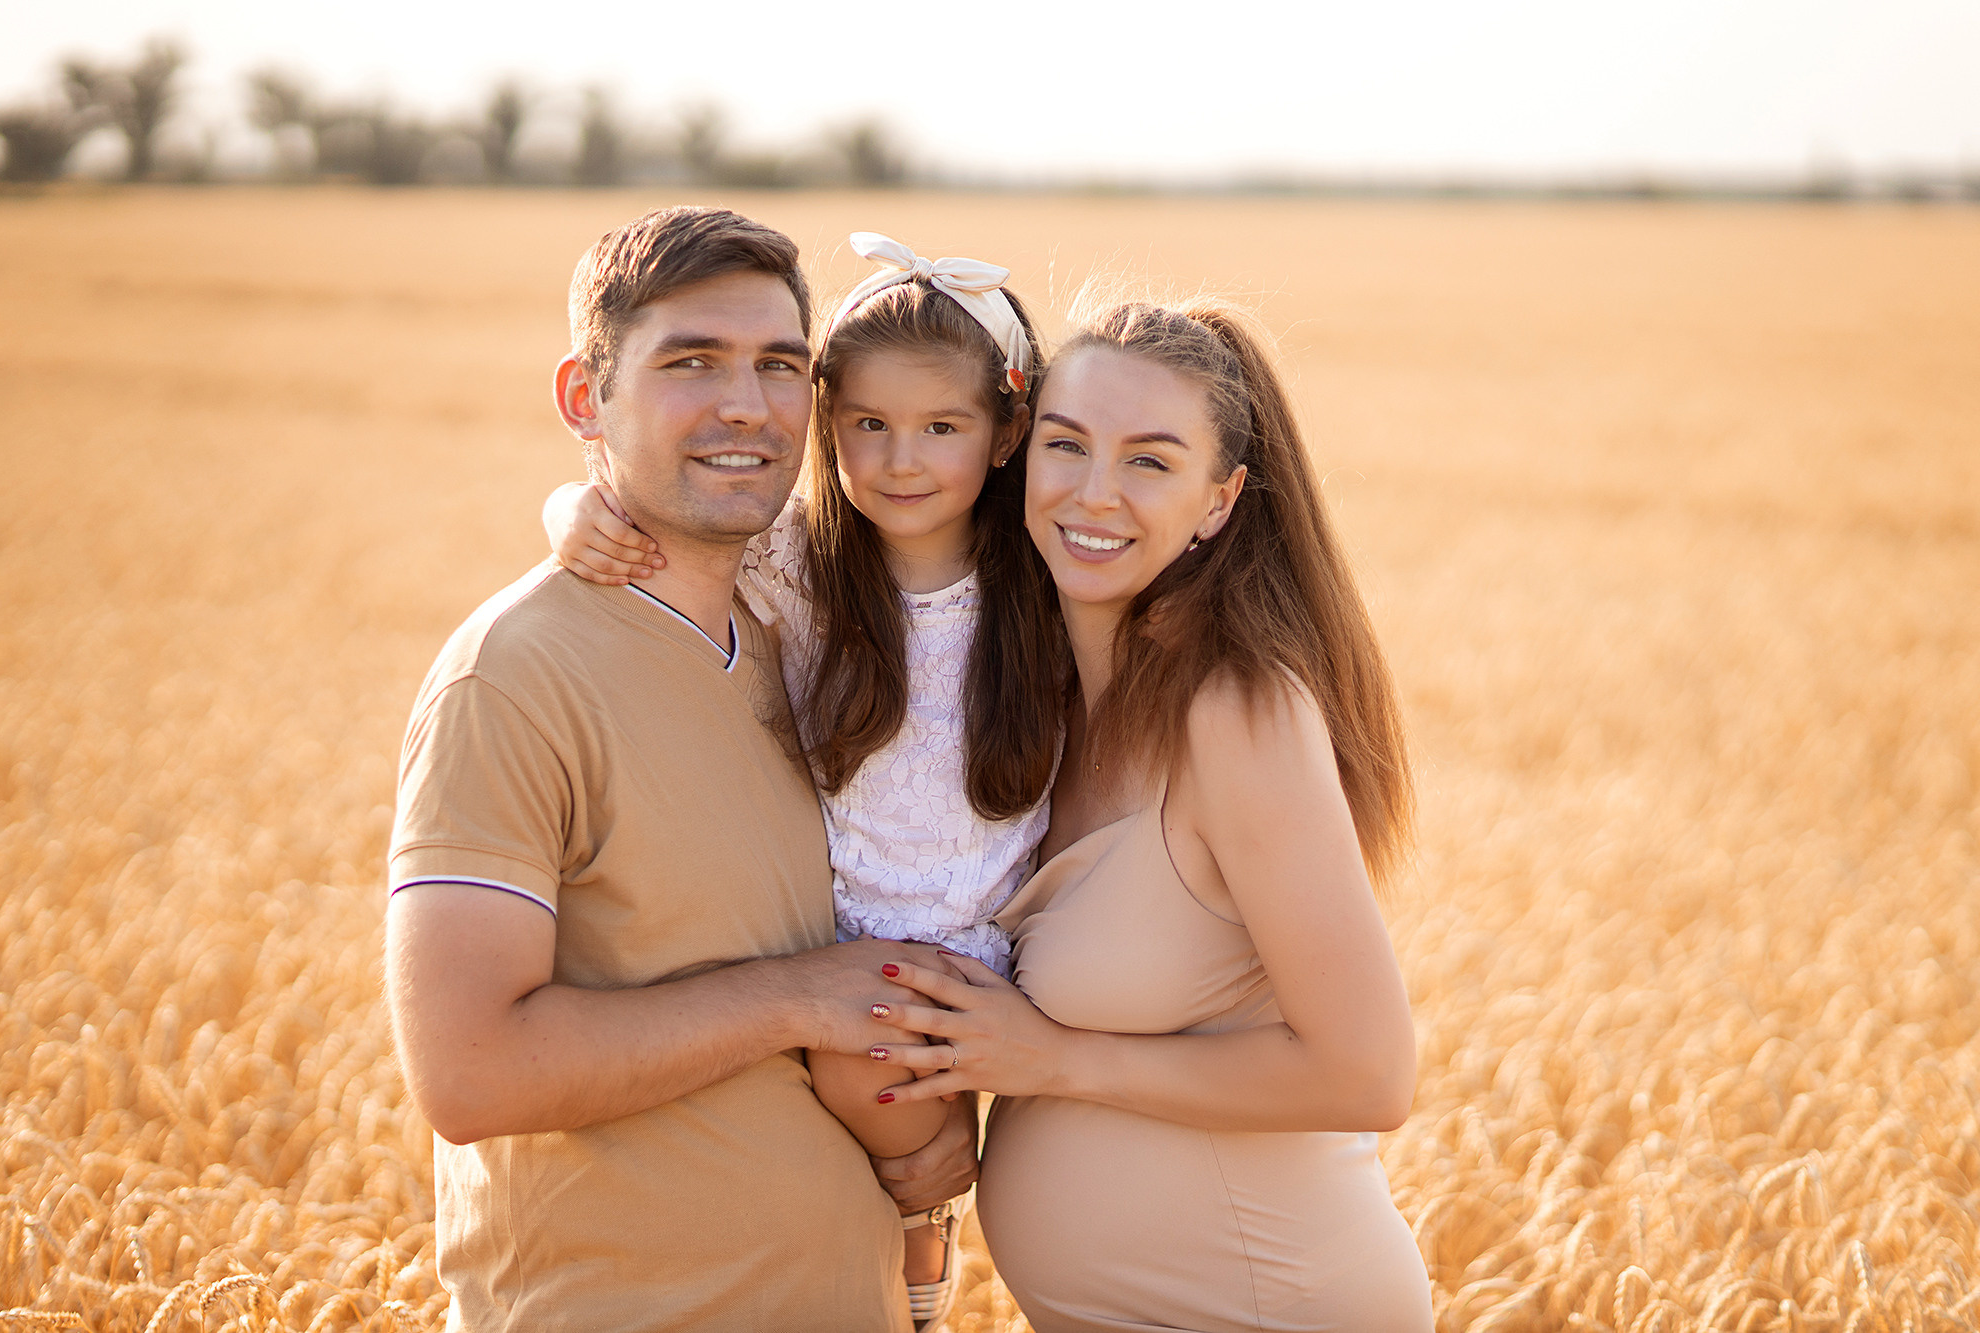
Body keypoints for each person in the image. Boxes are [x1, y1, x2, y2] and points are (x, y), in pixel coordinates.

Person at [384, 207, 976, 1333]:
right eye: (689, 362)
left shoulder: (816, 643)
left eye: (778, 365)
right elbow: (469, 1073)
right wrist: (798, 998)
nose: (744, 404)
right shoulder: (512, 678)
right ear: (582, 398)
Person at [867, 300, 1436, 1330]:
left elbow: (1367, 1072)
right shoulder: (1029, 700)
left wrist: (1050, 1058)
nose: (1094, 492)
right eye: (1067, 445)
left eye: (1149, 461)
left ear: (1217, 504)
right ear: (1018, 455)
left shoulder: (1234, 711)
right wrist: (585, 511)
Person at [543, 231, 1068, 1327]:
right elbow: (640, 524)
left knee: (897, 1092)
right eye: (866, 426)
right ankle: (923, 1230)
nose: (899, 460)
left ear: (1007, 430)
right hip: (845, 948)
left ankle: (932, 1211)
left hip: (988, 954)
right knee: (854, 1082)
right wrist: (569, 513)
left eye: (940, 428)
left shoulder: (1042, 580)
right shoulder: (804, 566)